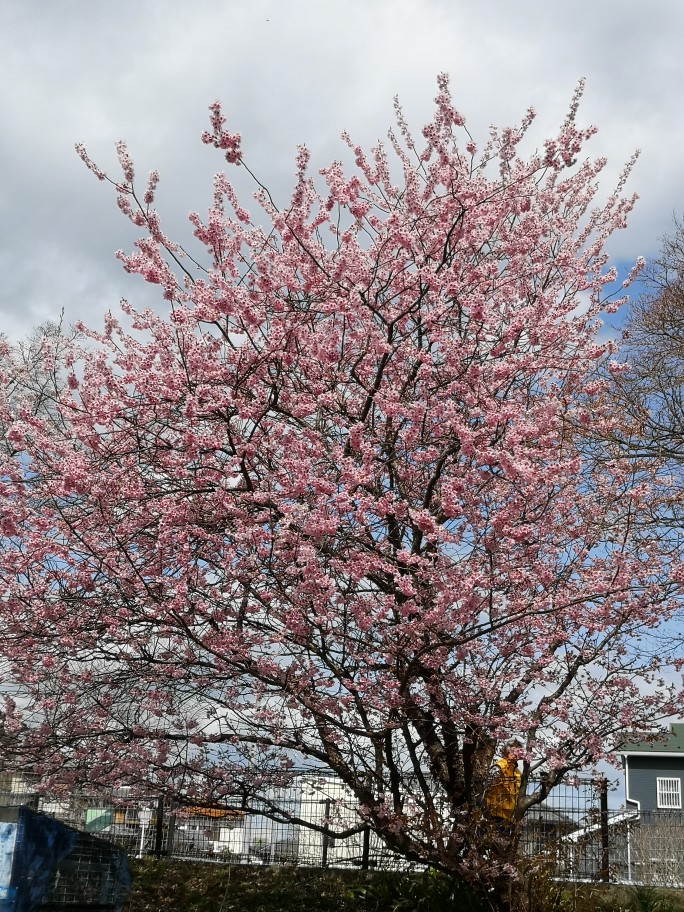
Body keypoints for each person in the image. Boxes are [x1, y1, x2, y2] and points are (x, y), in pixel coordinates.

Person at [483, 739, 522, 823]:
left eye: (518, 751)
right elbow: (486, 787)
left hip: (510, 816)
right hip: (495, 813)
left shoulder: (517, 772)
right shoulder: (499, 766)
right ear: (506, 751)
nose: (516, 753)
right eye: (513, 751)